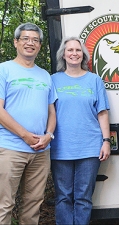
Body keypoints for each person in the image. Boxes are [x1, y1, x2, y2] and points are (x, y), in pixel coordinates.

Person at [0, 22, 57, 225]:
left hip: (41, 151)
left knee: (33, 205)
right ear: (16, 42)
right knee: (4, 204)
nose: (30, 43)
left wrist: (48, 135)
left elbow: (52, 112)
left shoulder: (45, 76)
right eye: (25, 38)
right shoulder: (3, 70)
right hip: (10, 147)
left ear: (40, 45)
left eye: (35, 40)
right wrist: (24, 134)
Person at [50, 36, 110, 225]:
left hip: (89, 147)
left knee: (83, 197)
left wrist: (106, 141)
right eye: (70, 50)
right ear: (63, 55)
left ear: (83, 55)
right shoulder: (53, 80)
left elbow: (102, 113)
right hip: (60, 147)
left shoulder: (94, 80)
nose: (74, 53)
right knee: (63, 196)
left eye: (78, 50)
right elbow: (48, 113)